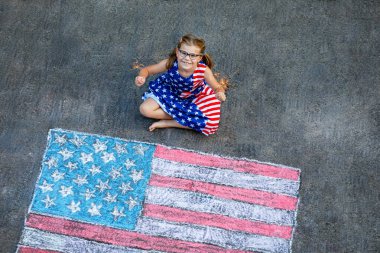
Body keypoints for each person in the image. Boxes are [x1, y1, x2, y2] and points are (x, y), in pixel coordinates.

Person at [135, 34, 226, 136]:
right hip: (169, 92)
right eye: (184, 53)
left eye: (192, 55)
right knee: (144, 109)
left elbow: (217, 87)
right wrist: (141, 76)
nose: (187, 58)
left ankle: (169, 122)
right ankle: (184, 117)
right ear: (177, 52)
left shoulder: (203, 70)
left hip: (194, 98)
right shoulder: (170, 63)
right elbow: (147, 70)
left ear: (199, 58)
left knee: (211, 123)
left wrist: (220, 92)